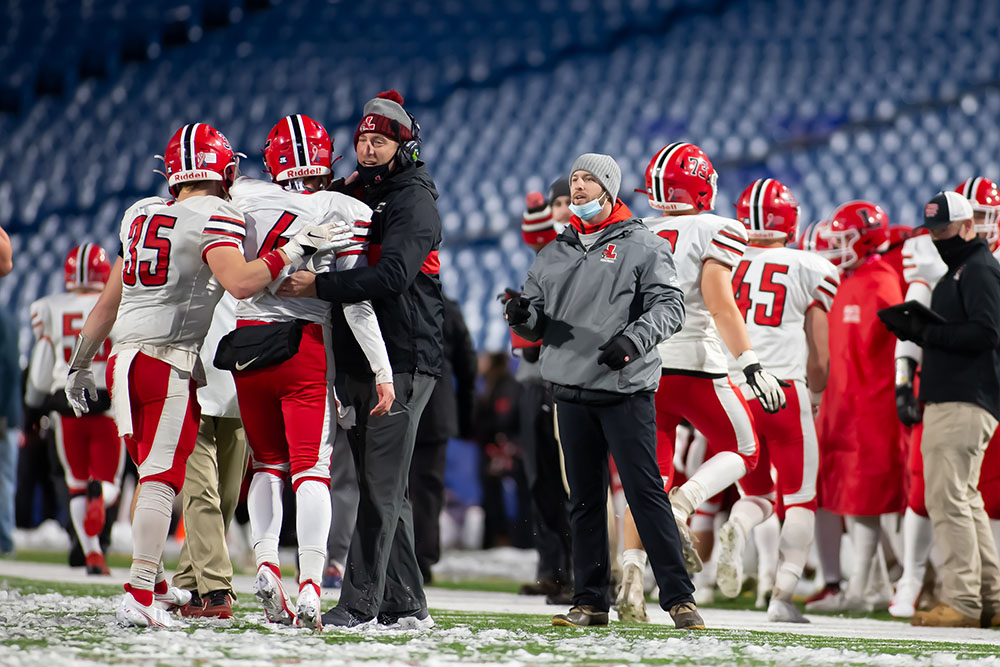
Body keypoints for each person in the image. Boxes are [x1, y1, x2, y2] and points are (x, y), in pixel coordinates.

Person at [65, 122, 352, 628]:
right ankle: (139, 593)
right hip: (167, 361)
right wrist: (293, 249)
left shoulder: (142, 214)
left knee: (150, 475)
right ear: (226, 170)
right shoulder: (218, 214)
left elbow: (108, 304)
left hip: (122, 359)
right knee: (163, 480)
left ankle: (153, 584)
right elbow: (242, 283)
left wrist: (79, 364)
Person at [507, 152, 704, 630]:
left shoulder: (643, 244)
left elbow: (670, 306)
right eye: (573, 178)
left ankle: (680, 599)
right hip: (570, 389)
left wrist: (633, 341)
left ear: (610, 190)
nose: (577, 186)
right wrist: (523, 317)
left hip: (624, 389)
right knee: (585, 501)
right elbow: (537, 319)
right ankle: (590, 600)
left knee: (645, 494)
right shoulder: (553, 251)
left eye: (588, 179)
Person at [278, 90, 444, 629]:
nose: (368, 150)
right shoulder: (356, 192)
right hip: (358, 356)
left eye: (380, 141)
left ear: (403, 145)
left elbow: (394, 276)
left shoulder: (414, 199)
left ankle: (358, 602)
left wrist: (319, 284)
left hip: (403, 356)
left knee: (380, 486)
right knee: (384, 487)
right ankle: (405, 603)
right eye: (363, 141)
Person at [228, 114, 393, 630]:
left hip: (248, 346)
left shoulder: (245, 197)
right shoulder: (342, 209)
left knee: (266, 465)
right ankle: (310, 586)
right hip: (305, 346)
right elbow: (355, 302)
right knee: (312, 469)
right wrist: (381, 369)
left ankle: (265, 564)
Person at [617, 144, 787, 624]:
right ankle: (684, 504)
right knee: (747, 449)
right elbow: (719, 302)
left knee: (647, 481)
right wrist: (751, 362)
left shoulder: (637, 229)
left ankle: (631, 580)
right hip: (697, 364)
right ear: (701, 185)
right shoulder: (718, 228)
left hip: (643, 368)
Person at [712, 178, 838, 622]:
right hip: (783, 389)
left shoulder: (724, 259)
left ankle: (738, 527)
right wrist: (817, 393)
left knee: (757, 491)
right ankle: (782, 596)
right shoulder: (812, 266)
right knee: (800, 498)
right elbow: (819, 354)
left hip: (733, 391)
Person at [886, 191, 1000, 628]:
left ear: (969, 226)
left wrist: (925, 333)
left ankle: (963, 601)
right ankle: (988, 598)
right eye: (934, 231)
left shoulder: (977, 271)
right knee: (966, 501)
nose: (939, 238)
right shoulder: (965, 269)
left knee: (948, 500)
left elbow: (986, 334)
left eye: (947, 230)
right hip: (962, 397)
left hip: (962, 399)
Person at [808, 201, 906, 613]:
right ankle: (873, 585)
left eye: (844, 238)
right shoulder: (850, 279)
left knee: (865, 497)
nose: (836, 246)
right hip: (845, 407)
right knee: (846, 494)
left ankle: (863, 589)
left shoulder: (880, 282)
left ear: (867, 238)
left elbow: (902, 345)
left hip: (872, 407)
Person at [24, 244, 123, 575]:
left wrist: (33, 407)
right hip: (107, 405)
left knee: (75, 483)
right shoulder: (118, 303)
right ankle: (102, 496)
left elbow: (40, 370)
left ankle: (92, 553)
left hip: (66, 408)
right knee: (110, 480)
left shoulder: (50, 307)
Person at [171, 293, 249, 619]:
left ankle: (187, 587)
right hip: (188, 378)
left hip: (240, 379)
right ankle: (217, 589)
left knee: (227, 497)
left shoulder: (249, 248)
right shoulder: (187, 246)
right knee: (202, 491)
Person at [515, 180, 574, 602]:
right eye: (559, 202)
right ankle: (551, 568)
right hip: (534, 383)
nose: (564, 208)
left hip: (566, 380)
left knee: (574, 483)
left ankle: (581, 571)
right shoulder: (545, 258)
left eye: (569, 200)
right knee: (541, 483)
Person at [410, 295, 476, 584]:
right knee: (427, 488)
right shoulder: (446, 305)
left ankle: (392, 558)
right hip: (437, 406)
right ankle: (422, 560)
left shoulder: (389, 295)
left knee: (388, 484)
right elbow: (467, 362)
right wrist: (464, 411)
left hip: (396, 402)